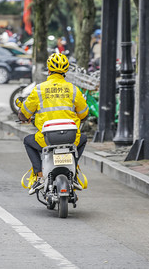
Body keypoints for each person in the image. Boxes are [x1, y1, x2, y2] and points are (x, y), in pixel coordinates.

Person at [18, 53, 89, 194]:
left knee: (28, 141)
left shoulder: (39, 89)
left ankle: (39, 176)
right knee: (84, 138)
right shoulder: (73, 89)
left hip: (46, 139)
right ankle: (73, 173)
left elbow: (23, 114)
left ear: (49, 70)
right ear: (65, 72)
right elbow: (84, 114)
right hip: (71, 138)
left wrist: (23, 116)